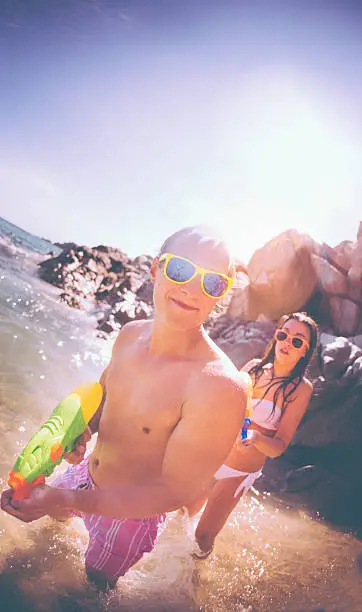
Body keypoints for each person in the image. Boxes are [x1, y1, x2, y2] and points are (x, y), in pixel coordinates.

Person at [1, 226, 249, 590]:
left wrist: (64, 497)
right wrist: (80, 433)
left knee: (91, 588)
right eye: (181, 270)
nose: (193, 289)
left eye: (212, 283)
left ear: (220, 296)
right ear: (155, 269)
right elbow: (103, 399)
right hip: (83, 475)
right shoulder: (130, 334)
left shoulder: (217, 386)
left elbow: (173, 492)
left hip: (129, 518)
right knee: (45, 538)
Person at [187, 311, 318, 559]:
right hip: (212, 456)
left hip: (238, 472)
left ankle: (191, 584)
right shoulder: (252, 369)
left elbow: (279, 447)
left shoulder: (300, 389)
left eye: (297, 341)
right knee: (182, 515)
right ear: (276, 337)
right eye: (283, 334)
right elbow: (222, 410)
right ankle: (170, 571)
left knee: (203, 537)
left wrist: (257, 439)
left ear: (305, 351)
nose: (287, 343)